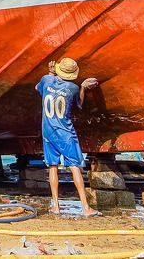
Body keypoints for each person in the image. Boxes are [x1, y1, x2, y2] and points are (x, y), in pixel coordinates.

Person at [35, 57, 100, 216]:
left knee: (52, 167)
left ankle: (55, 206)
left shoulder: (46, 80)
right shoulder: (73, 88)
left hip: (48, 131)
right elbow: (79, 105)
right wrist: (83, 87)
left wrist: (49, 73)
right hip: (65, 132)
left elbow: (38, 88)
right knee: (74, 166)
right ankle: (85, 207)